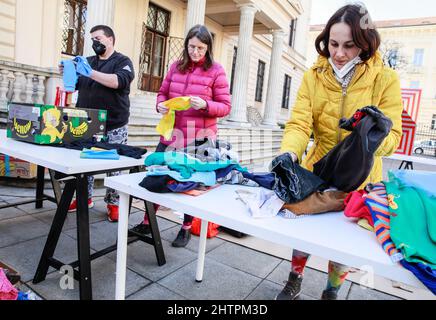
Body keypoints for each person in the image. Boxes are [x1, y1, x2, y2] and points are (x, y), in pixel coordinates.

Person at [275, 4, 403, 300]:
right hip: (316, 170)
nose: (339, 53)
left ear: (365, 43)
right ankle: (295, 277)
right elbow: (298, 123)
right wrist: (290, 153)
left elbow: (394, 137)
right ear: (325, 40)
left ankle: (332, 289)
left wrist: (371, 137)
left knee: (343, 243)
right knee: (303, 232)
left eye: (350, 45)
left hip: (359, 178)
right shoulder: (313, 76)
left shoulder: (386, 79)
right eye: (334, 44)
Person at [129, 24, 231, 247]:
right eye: (192, 46)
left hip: (199, 137)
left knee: (191, 182)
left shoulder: (216, 71)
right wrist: (160, 106)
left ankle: (185, 227)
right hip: (171, 133)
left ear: (208, 49)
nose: (195, 52)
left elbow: (225, 106)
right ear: (186, 45)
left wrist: (205, 104)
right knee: (156, 174)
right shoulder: (176, 67)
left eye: (201, 48)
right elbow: (163, 93)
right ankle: (147, 220)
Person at [60, 25, 135, 222]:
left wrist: (89, 72)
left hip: (114, 124)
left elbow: (118, 82)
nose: (95, 43)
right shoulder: (88, 61)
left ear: (110, 39)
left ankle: (114, 203)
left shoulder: (123, 61)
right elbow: (75, 84)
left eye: (99, 38)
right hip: (86, 122)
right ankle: (85, 198)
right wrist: (68, 71)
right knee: (86, 163)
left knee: (115, 165)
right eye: (92, 39)